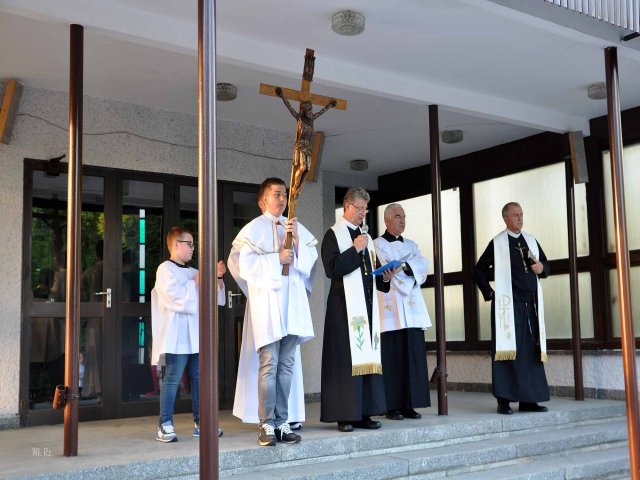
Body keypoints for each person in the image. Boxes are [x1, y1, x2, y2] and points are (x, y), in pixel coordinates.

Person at [228, 177, 317, 447]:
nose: (282, 198)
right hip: (268, 304)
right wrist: (276, 258)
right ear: (262, 200)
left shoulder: (294, 226)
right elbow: (244, 266)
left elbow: (309, 264)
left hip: (291, 305)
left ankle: (282, 422)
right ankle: (266, 423)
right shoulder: (253, 229)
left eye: (284, 194)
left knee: (287, 364)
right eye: (276, 193)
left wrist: (297, 242)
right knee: (269, 364)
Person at [320, 187, 399, 432]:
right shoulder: (333, 235)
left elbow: (371, 274)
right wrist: (354, 249)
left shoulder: (366, 237)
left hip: (367, 306)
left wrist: (385, 277)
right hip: (343, 308)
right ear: (347, 206)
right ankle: (345, 415)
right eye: (359, 208)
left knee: (367, 357)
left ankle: (364, 412)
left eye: (365, 209)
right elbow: (332, 269)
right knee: (345, 361)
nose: (363, 213)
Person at [474, 202, 550, 415]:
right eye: (515, 215)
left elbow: (546, 265)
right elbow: (479, 270)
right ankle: (504, 400)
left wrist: (542, 268)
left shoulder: (531, 240)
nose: (520, 218)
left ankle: (529, 400)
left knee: (530, 352)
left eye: (521, 214)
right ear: (506, 218)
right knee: (508, 352)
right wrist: (490, 293)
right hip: (508, 306)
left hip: (531, 305)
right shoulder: (497, 243)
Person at [151, 227, 226, 442]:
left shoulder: (194, 271)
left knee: (199, 379)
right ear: (176, 245)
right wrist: (198, 280)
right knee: (172, 378)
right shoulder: (165, 269)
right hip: (176, 335)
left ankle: (202, 423)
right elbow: (174, 297)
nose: (193, 249)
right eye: (189, 244)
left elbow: (215, 298)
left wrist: (218, 277)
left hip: (196, 334)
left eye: (194, 244)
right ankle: (165, 424)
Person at [373, 203, 431, 421]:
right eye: (398, 216)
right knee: (394, 357)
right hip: (392, 308)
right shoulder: (377, 245)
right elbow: (387, 271)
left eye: (404, 216)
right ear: (387, 220)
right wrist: (406, 270)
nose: (402, 220)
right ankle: (393, 406)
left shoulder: (412, 244)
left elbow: (422, 265)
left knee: (412, 357)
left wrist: (405, 267)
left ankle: (410, 404)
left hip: (413, 310)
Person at [275, 87, 336, 200]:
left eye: (311, 110)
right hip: (300, 144)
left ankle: (298, 189)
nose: (310, 112)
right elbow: (289, 107)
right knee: (302, 166)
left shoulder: (312, 119)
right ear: (304, 110)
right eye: (308, 110)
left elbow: (321, 112)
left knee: (307, 169)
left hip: (308, 146)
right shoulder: (299, 118)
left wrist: (330, 106)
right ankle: (295, 187)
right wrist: (282, 96)